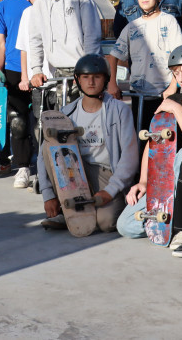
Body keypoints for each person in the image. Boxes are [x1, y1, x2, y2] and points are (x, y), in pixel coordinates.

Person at [115, 44, 182, 248]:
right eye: (176, 73)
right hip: (165, 183)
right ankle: (175, 222)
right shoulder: (173, 99)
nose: (181, 78)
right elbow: (154, 142)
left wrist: (176, 108)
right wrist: (144, 181)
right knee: (125, 225)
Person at [38, 55, 139, 233]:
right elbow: (43, 155)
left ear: (106, 79)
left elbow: (130, 157)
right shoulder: (66, 113)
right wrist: (48, 195)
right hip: (74, 172)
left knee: (105, 223)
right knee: (49, 145)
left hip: (106, 174)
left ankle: (78, 212)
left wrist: (111, 190)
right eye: (85, 77)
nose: (91, 82)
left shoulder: (119, 110)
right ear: (77, 79)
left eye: (97, 77)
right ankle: (67, 210)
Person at [106, 0, 182, 128]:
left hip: (165, 93)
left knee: (164, 139)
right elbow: (113, 56)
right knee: (141, 136)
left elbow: (180, 58)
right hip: (138, 93)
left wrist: (173, 87)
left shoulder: (168, 21)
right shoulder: (132, 26)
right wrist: (112, 84)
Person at [27, 0, 102, 96]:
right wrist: (37, 70)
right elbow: (35, 39)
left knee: (89, 115)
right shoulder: (40, 3)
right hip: (59, 71)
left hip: (84, 68)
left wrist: (88, 68)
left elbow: (92, 34)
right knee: (62, 116)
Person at [0, 0, 34, 188]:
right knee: (17, 122)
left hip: (37, 68)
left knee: (40, 121)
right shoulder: (1, 6)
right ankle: (23, 168)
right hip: (13, 68)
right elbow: (0, 42)